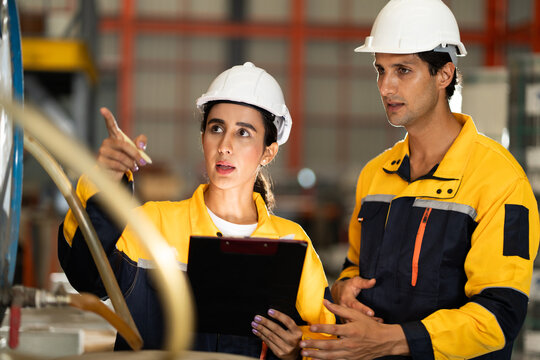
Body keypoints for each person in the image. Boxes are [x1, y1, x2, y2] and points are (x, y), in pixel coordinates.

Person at [299, 0, 540, 359]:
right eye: (380, 70)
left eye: (403, 70)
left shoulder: (499, 181)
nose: (385, 87)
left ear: (444, 74)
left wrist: (397, 339)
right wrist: (345, 287)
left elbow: (498, 317)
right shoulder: (375, 175)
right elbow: (355, 265)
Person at [58, 62, 335, 359]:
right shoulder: (152, 224)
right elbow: (85, 275)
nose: (225, 146)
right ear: (203, 137)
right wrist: (103, 180)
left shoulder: (293, 244)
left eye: (243, 133)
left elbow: (327, 340)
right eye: (217, 128)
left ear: (268, 151)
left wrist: (297, 350)